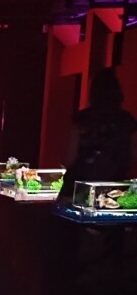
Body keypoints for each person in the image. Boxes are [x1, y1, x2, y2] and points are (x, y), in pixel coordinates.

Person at [58, 67, 137, 201]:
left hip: (78, 190)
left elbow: (68, 160)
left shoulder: (81, 120)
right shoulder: (127, 121)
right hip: (114, 191)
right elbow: (134, 159)